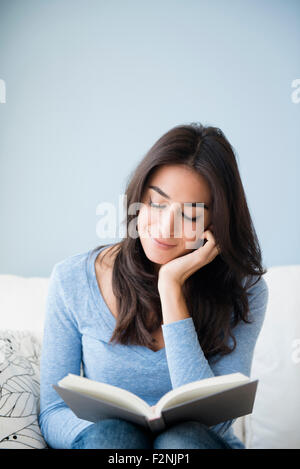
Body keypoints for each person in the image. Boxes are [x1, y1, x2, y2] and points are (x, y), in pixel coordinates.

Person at [39, 123, 268, 449]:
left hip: (196, 447)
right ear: (139, 197)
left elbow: (216, 421)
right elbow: (53, 410)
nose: (165, 228)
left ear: (214, 225)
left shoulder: (247, 291)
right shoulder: (72, 279)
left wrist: (171, 287)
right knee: (113, 438)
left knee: (182, 441)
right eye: (157, 203)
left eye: (189, 216)